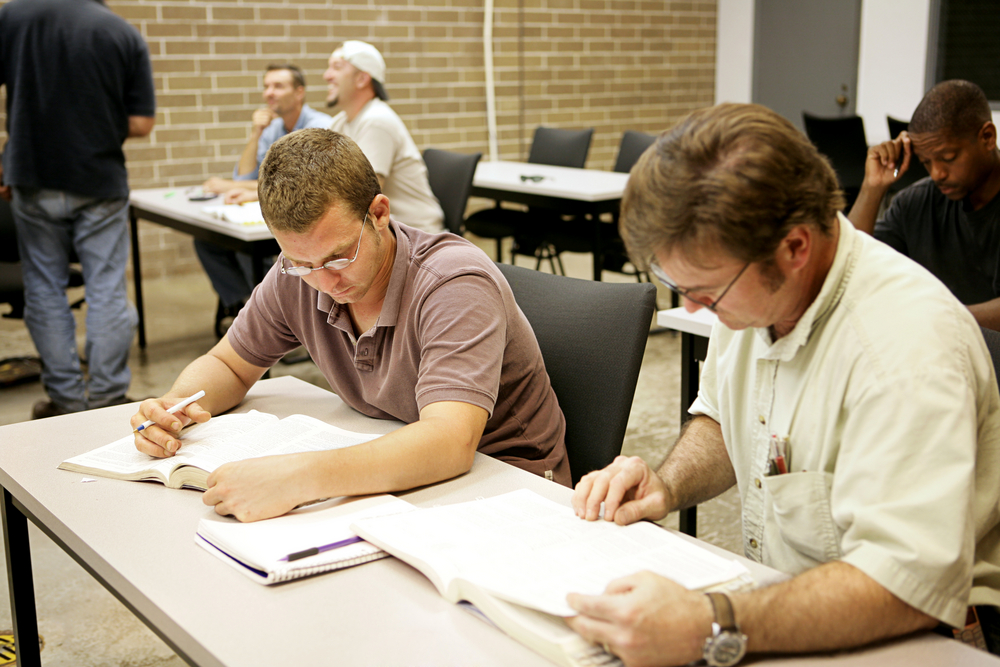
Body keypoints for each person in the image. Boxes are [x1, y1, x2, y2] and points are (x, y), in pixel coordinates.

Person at [568, 103, 1000, 666]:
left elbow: (905, 586)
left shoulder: (906, 350)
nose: (697, 308)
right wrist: (665, 485)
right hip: (789, 601)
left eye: (708, 290)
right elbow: (725, 421)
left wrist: (711, 621)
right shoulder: (757, 291)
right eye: (680, 286)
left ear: (795, 248)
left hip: (920, 638)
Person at [130, 128, 569, 522]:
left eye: (339, 256)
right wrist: (175, 407)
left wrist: (298, 477)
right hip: (406, 463)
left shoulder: (452, 284)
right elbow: (228, 364)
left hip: (510, 484)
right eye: (302, 263)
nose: (323, 282)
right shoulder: (296, 273)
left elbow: (449, 442)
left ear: (378, 213)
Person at [0, 0, 156, 419]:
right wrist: (95, 120)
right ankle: (106, 398)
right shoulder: (121, 32)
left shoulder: (12, 17)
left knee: (43, 288)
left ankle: (66, 401)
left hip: (32, 176)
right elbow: (142, 123)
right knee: (106, 289)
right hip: (99, 181)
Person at [847, 80, 1000, 329]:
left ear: (987, 137)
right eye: (926, 162)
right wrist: (872, 188)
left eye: (948, 158)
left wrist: (940, 315)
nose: (937, 173)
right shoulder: (915, 203)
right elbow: (846, 269)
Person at [195, 64, 332, 334]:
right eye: (266, 86)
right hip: (277, 213)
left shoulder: (320, 127)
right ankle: (247, 308)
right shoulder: (273, 128)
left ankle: (274, 319)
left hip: (308, 218)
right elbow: (246, 173)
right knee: (207, 240)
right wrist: (255, 132)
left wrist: (242, 188)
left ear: (300, 92)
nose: (269, 93)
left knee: (247, 248)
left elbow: (305, 184)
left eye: (278, 86)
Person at [323, 40, 444, 233]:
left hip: (416, 237)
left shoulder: (376, 121)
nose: (326, 75)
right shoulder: (341, 122)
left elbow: (364, 195)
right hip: (385, 230)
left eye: (336, 67)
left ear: (362, 79)